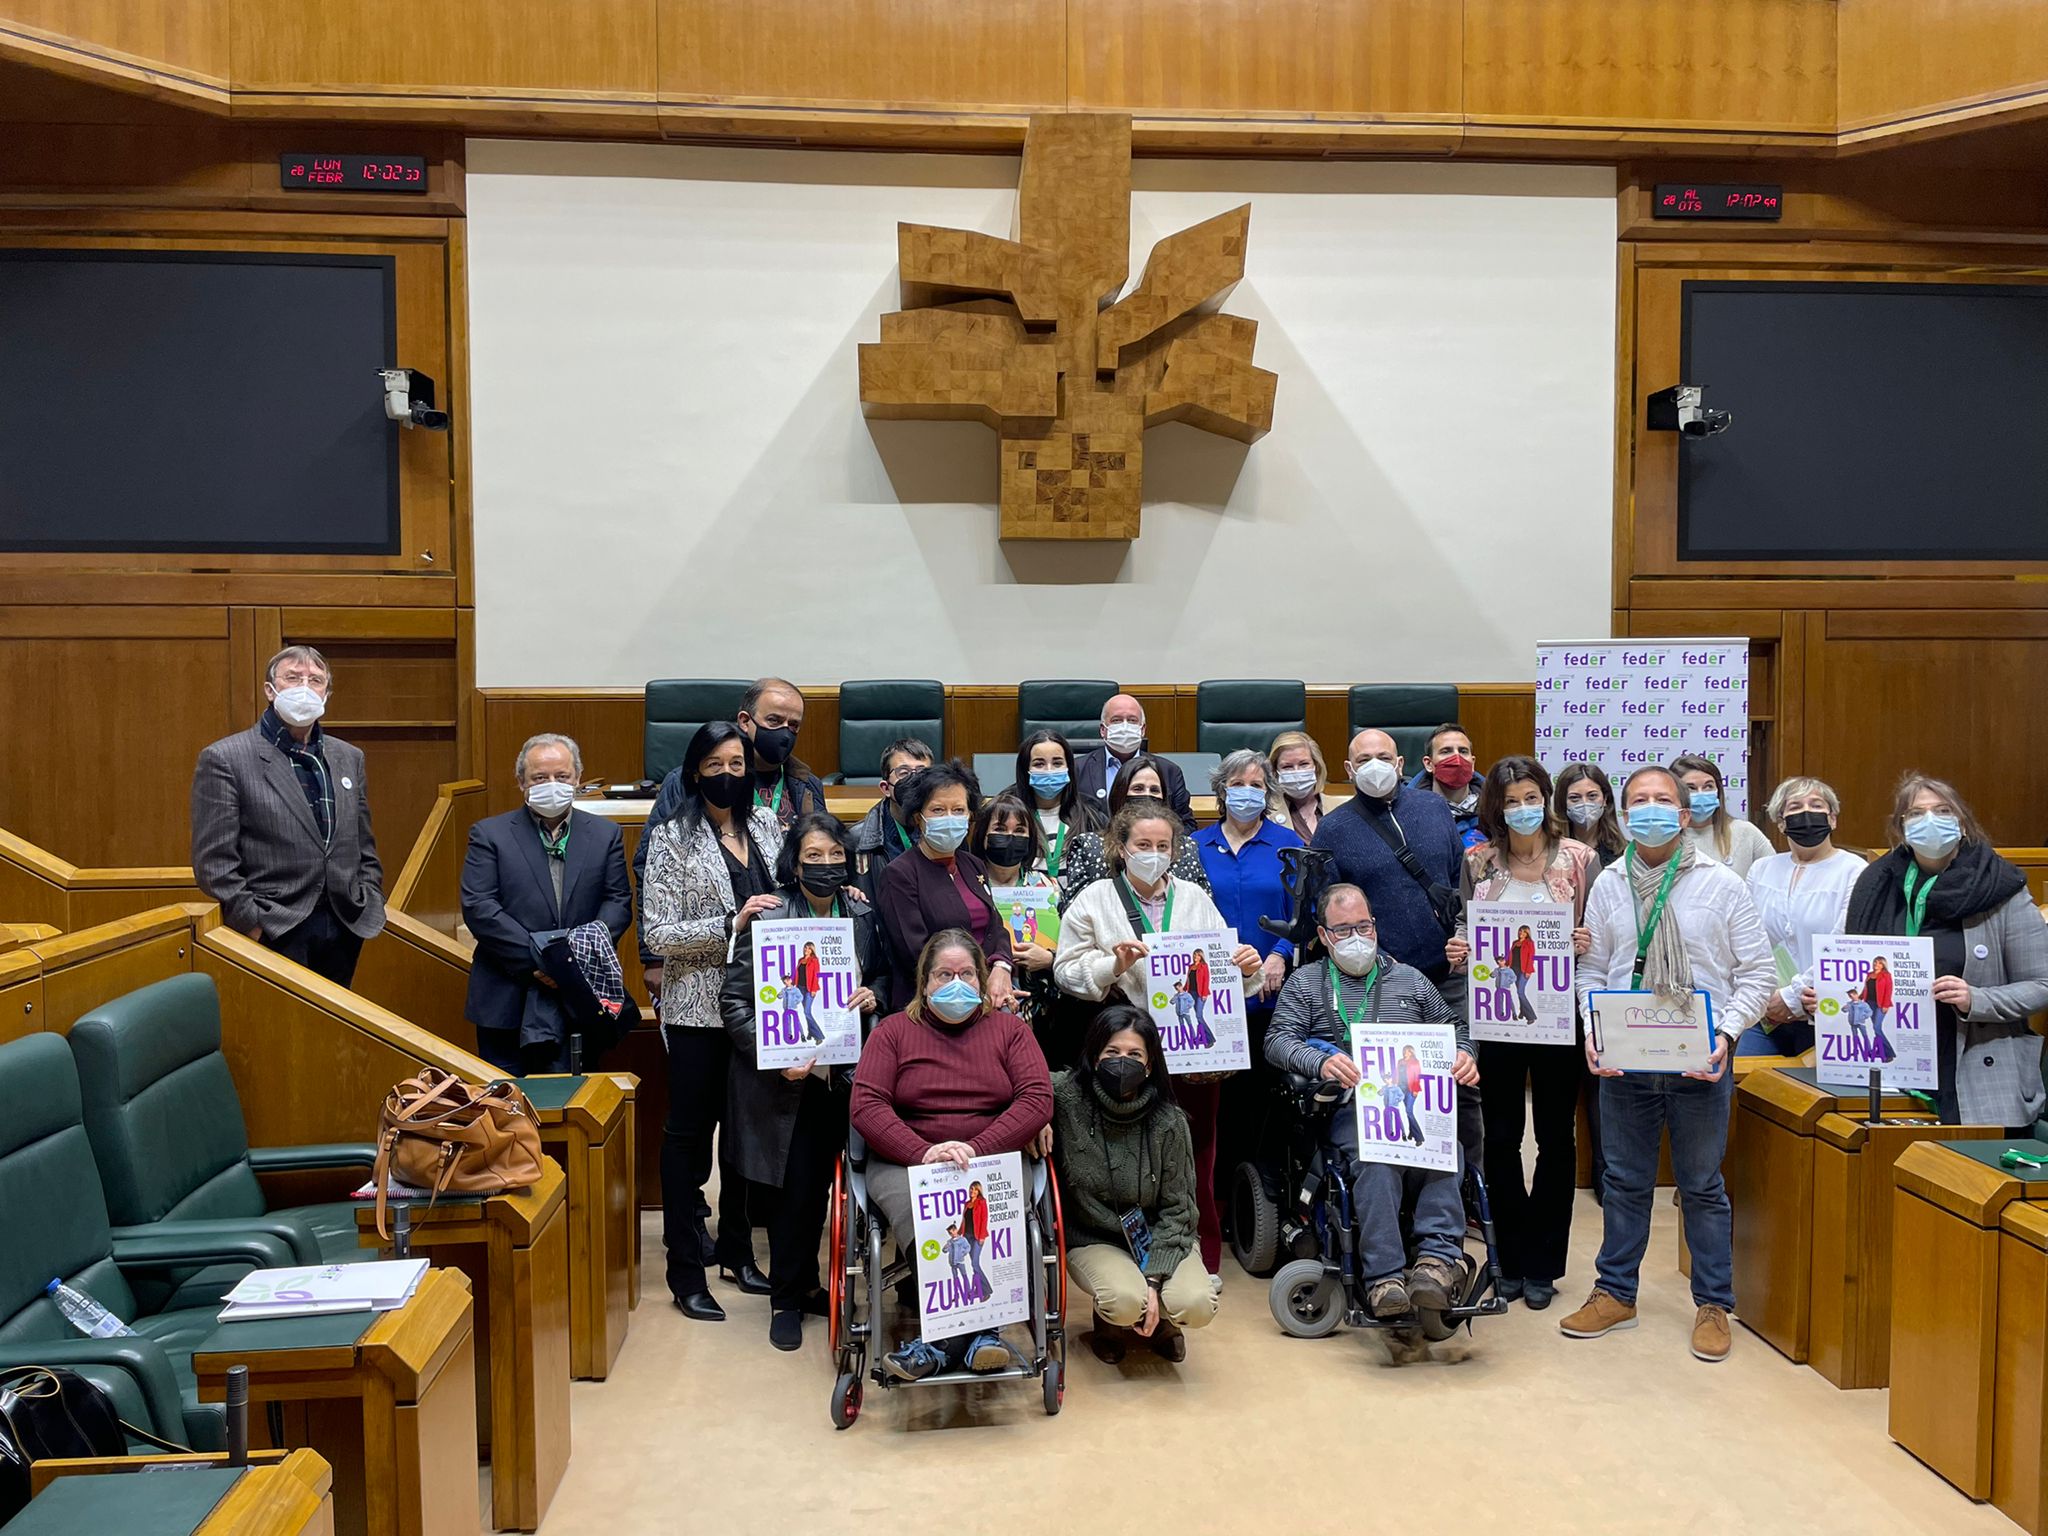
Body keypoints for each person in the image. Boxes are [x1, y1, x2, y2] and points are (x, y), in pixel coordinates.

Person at [1564, 765, 1774, 1364]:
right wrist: (1593, 1030)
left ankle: (1713, 1303)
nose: (1650, 809)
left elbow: (1757, 974)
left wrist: (1728, 1037)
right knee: (1625, 1183)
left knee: (1702, 1187)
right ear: (1625, 817)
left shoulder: (1723, 885)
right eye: (1638, 801)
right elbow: (1593, 971)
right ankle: (1615, 1293)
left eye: (1663, 801)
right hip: (1625, 1062)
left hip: (1699, 1061)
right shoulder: (1608, 884)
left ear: (1684, 816)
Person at [1055, 801, 1262, 1281]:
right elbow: (1066, 970)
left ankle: (1200, 1262)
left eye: (1162, 846)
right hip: (1127, 1050)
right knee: (1126, 1158)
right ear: (1121, 848)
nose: (1152, 854)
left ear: (1175, 850)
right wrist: (1113, 966)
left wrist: (1246, 970)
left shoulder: (1192, 897)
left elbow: (1225, 970)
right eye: (1142, 845)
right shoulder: (1096, 899)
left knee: (1196, 1154)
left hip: (1194, 1053)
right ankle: (1125, 1265)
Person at [1265, 884, 1479, 1318]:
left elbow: (1455, 1028)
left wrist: (1465, 1054)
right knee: (1375, 1159)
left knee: (1445, 1152)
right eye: (1343, 930)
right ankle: (1385, 1279)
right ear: (1323, 936)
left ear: (1375, 926)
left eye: (1363, 926)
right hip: (1349, 1109)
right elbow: (1277, 1041)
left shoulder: (1410, 979)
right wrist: (1320, 1063)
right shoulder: (1306, 983)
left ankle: (1436, 1265)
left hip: (1415, 1103)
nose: (1356, 936)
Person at [849, 930, 1053, 1380]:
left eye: (966, 974)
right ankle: (981, 1337)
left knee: (978, 1231)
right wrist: (924, 1153)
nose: (955, 983)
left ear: (981, 981)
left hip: (991, 1156)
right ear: (924, 982)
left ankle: (939, 1346)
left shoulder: (1009, 1031)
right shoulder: (893, 1033)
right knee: (939, 1229)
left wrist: (978, 1148)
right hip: (907, 1160)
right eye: (944, 974)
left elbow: (1037, 1099)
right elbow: (866, 1106)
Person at [716, 811, 884, 1349]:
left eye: (837, 855)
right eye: (814, 856)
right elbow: (735, 1002)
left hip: (850, 1077)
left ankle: (817, 1287)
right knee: (798, 1197)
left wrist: (873, 994)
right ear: (794, 861)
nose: (827, 865)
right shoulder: (770, 916)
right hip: (792, 1083)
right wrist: (772, 1055)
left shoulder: (860, 912)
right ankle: (786, 1298)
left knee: (851, 1191)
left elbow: (879, 971)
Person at [639, 721, 785, 1321]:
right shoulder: (672, 837)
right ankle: (685, 1269)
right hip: (697, 1009)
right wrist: (733, 923)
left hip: (762, 1007)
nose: (729, 774)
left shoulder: (769, 826)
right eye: (716, 764)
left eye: (737, 763)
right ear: (695, 771)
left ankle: (736, 1250)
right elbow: (658, 934)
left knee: (746, 1136)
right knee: (689, 1139)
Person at [1442, 756, 1595, 1311]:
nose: (1523, 809)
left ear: (1546, 799)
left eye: (1532, 797)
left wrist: (1586, 941)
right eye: (1511, 801)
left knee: (1557, 1141)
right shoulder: (1478, 861)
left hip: (1561, 1021)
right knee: (1501, 1140)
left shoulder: (1580, 859)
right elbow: (1466, 925)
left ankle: (1544, 1265)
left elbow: (1600, 929)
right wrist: (1459, 949)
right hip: (1498, 1020)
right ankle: (1507, 1255)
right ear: (1496, 809)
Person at [1835, 773, 2048, 1130]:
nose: (1930, 821)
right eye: (1916, 814)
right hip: (1895, 1067)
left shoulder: (2001, 887)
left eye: (1942, 811)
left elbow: (2042, 983)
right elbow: (1856, 962)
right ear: (1901, 829)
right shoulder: (1877, 884)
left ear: (1962, 824)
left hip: (1976, 1069)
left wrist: (1976, 999)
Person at [190, 645, 384, 987]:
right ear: (270, 689)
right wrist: (253, 922)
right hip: (275, 926)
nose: (305, 687)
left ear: (328, 693)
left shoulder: (348, 756)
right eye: (292, 678)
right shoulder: (226, 758)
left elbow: (362, 841)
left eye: (316, 680)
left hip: (344, 923)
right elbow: (213, 861)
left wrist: (369, 895)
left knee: (336, 1033)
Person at [1037, 1005, 1215, 1363]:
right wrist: (1036, 1115)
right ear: (1094, 1056)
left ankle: (1165, 1320)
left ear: (1150, 1065)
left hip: (1160, 1234)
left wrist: (1153, 1279)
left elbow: (1179, 1211)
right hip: (1094, 1237)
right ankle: (1111, 1321)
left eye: (1135, 1055)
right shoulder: (1067, 1099)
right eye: (1112, 1053)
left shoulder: (1170, 1123)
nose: (1123, 1062)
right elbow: (1021, 1080)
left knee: (1196, 1304)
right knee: (1122, 1301)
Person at [636, 677, 827, 996]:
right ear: (745, 720)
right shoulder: (685, 784)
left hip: (776, 963)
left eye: (793, 725)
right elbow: (650, 870)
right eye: (774, 720)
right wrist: (651, 958)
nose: (784, 732)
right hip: (701, 967)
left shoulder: (807, 786)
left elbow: (816, 856)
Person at [459, 733, 633, 1074]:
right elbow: (480, 907)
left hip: (581, 995)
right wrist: (550, 960)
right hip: (507, 996)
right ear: (521, 782)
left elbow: (618, 902)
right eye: (539, 778)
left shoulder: (605, 834)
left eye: (562, 776)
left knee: (578, 1107)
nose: (551, 784)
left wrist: (573, 961)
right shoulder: (489, 834)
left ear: (578, 779)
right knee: (506, 1111)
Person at [1194, 749, 1301, 1224]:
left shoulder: (1287, 843)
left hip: (1267, 995)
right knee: (1214, 1107)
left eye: (1257, 785)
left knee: (1261, 1101)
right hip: (1208, 1000)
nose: (1247, 792)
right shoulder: (1194, 846)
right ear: (1221, 790)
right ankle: (1213, 1207)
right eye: (1238, 783)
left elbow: (1306, 910)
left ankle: (1258, 1209)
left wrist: (1279, 954)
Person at [1310, 728, 1463, 990]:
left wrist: (1462, 937)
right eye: (1364, 760)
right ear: (1349, 769)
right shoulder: (1332, 829)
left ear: (1399, 764)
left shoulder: (1435, 807)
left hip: (1450, 973)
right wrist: (1375, 958)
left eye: (1384, 757)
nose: (1375, 765)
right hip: (1378, 979)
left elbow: (1462, 879)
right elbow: (1326, 909)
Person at [875, 761, 1017, 1013]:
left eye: (958, 809)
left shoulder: (973, 865)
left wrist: (1002, 968)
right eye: (938, 810)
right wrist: (980, 986)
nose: (950, 818)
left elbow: (996, 929)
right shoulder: (899, 874)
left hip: (988, 994)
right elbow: (915, 954)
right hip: (932, 1003)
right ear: (919, 818)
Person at [1741, 776, 1865, 1057]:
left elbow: (1842, 942)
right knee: (1745, 1090)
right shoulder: (1761, 870)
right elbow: (1746, 938)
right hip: (1764, 1010)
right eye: (1795, 806)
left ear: (1832, 819)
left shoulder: (1855, 871)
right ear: (1781, 821)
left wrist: (1792, 997)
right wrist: (1768, 997)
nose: (1806, 812)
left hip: (1825, 1007)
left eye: (1816, 804)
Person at [1057, 753, 1212, 906]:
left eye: (1154, 790)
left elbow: (1204, 911)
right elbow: (1075, 912)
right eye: (1138, 788)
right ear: (1120, 795)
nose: (1147, 795)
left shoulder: (1187, 848)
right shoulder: (1090, 847)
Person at [1074, 693, 1195, 828]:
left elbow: (1186, 825)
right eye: (1116, 720)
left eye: (1132, 720)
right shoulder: (1078, 769)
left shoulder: (1169, 771)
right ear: (1103, 730)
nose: (1125, 727)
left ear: (1142, 729)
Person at [853, 737, 935, 900]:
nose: (914, 779)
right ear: (886, 788)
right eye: (904, 773)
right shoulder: (856, 839)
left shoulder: (947, 831)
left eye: (922, 773)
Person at [1013, 729, 1100, 882]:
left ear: (1069, 768)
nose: (1049, 771)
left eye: (1057, 763)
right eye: (1039, 764)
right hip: (1024, 905)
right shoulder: (1011, 817)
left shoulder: (1091, 817)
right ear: (1025, 770)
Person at [1672, 753, 1773, 877]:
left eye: (1708, 786)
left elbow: (1773, 879)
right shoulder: (1666, 836)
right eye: (1690, 788)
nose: (1701, 793)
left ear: (1718, 790)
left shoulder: (1746, 832)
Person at [1410, 723, 1485, 852]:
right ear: (1429, 764)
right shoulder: (1408, 812)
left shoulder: (1496, 808)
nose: (1457, 759)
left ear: (1472, 763)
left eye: (1463, 751)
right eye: (1446, 751)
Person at [1267, 730, 1337, 842]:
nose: (1296, 772)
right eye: (1287, 767)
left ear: (1316, 767)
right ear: (1275, 772)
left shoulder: (1341, 807)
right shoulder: (1266, 812)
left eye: (1304, 764)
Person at [1555, 762, 1626, 870]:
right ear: (1562, 802)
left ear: (1605, 799)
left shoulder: (1624, 852)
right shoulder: (1550, 850)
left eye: (1592, 796)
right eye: (1574, 798)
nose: (1584, 803)